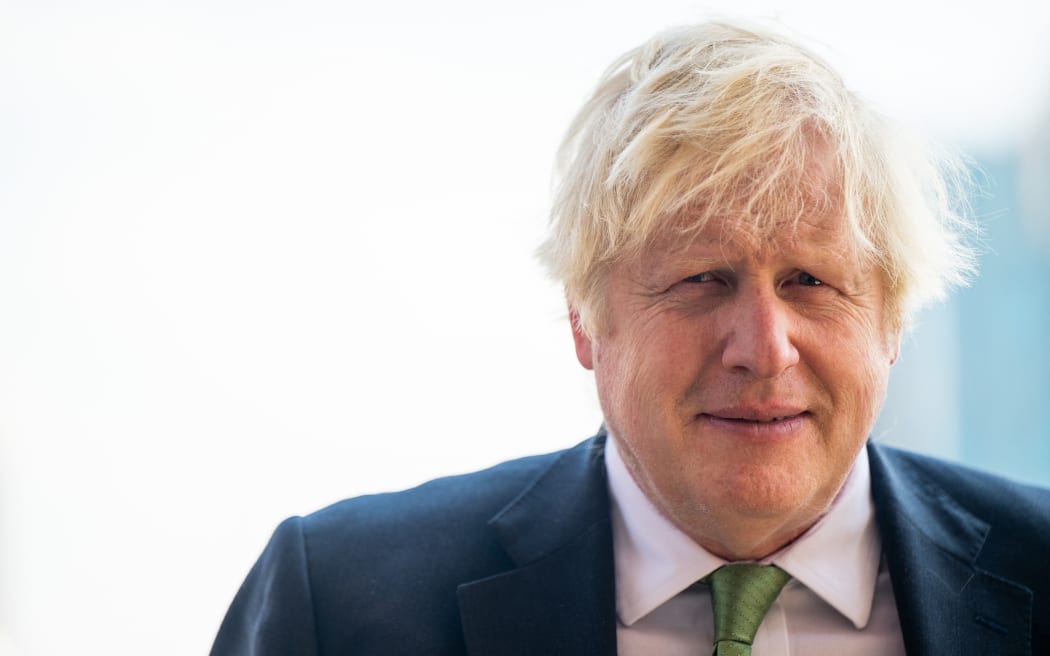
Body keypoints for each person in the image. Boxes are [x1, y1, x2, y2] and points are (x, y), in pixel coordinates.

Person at [211, 21, 1050, 655]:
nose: (763, 347)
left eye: (811, 282)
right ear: (585, 317)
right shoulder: (343, 607)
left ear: (893, 319)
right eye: (700, 280)